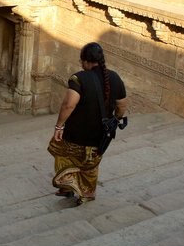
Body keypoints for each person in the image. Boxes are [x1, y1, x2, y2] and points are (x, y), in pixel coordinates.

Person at [49, 42, 128, 205]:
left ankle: (68, 186)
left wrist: (59, 126)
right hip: (99, 137)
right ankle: (87, 193)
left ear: (85, 61)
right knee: (90, 165)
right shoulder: (114, 78)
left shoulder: (79, 78)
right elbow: (122, 106)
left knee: (62, 153)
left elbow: (68, 105)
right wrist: (115, 119)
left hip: (75, 134)